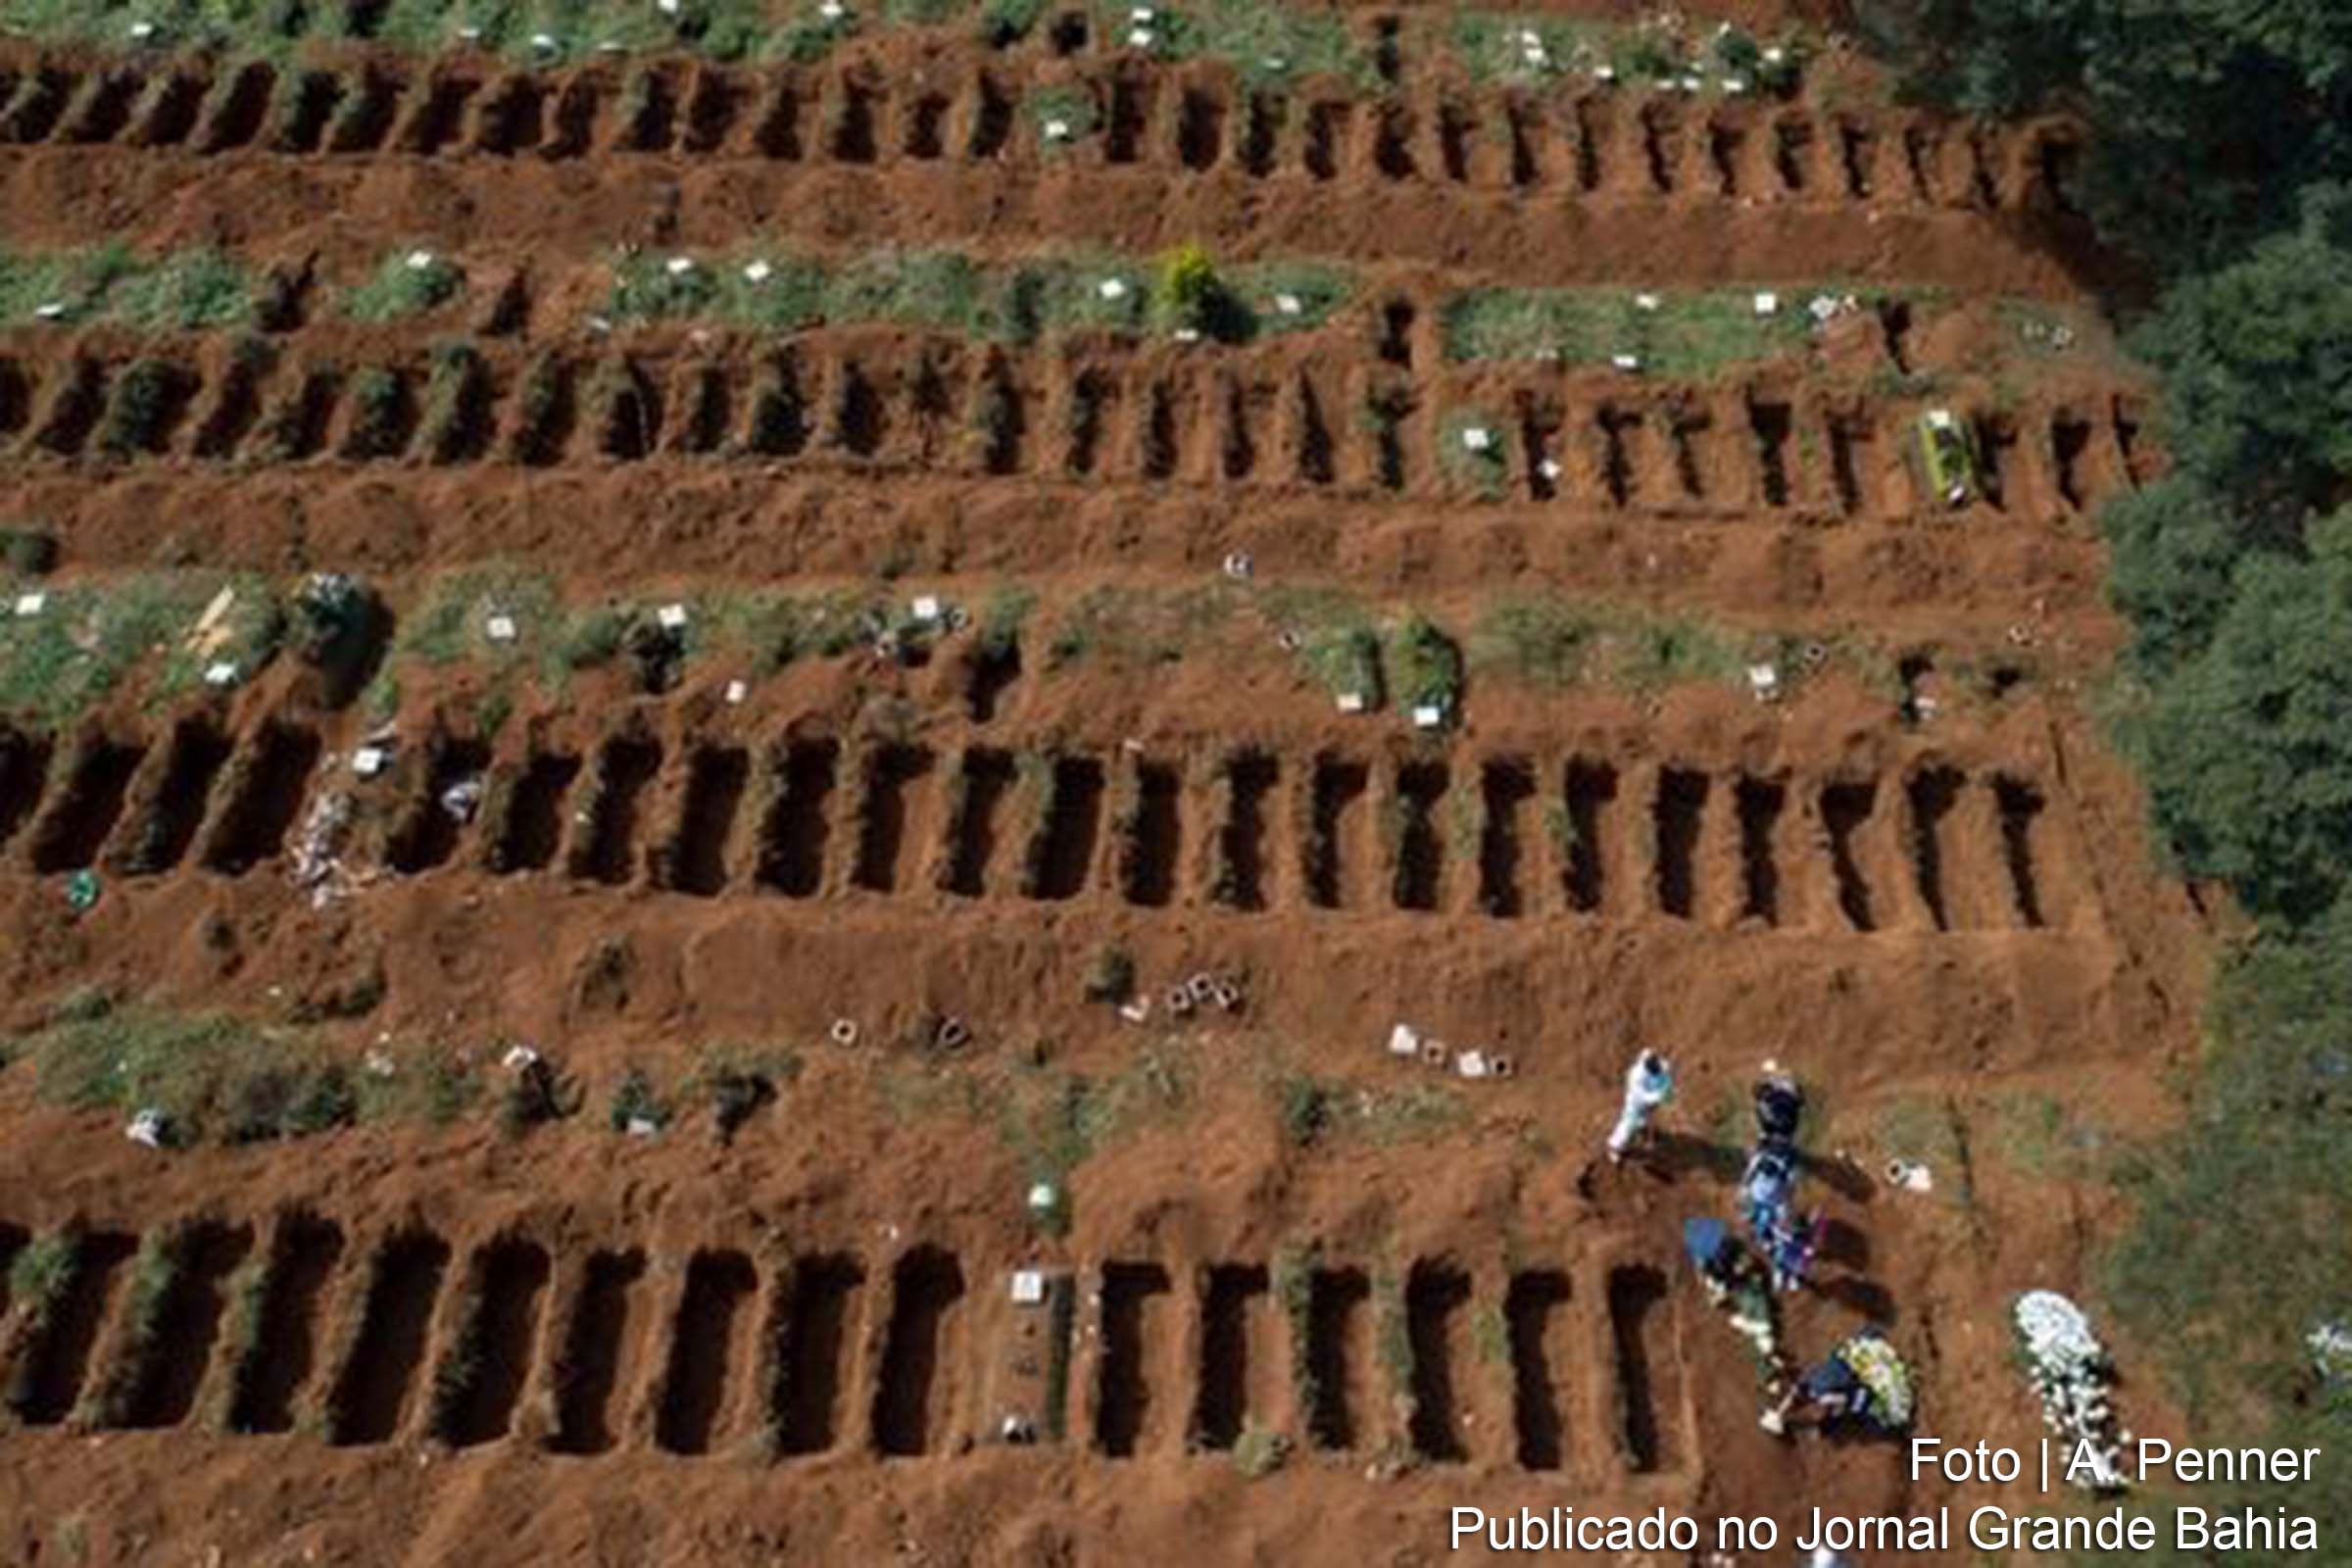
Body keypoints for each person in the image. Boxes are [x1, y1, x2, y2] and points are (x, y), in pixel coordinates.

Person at [1762, 1328, 1913, 1437]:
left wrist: (1832, 1419)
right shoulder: (1812, 1381)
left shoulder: (1821, 1391)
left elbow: (1843, 1401)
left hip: (1859, 1374)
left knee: (1863, 1413)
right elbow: (1796, 1393)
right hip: (1852, 1363)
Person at [1606, 1050, 1674, 1162]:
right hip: (1636, 1103)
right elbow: (1643, 1097)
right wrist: (1658, 1096)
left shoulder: (1658, 1065)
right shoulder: (1636, 1077)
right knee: (1629, 1124)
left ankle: (1643, 1129)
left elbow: (1666, 1077)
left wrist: (1666, 1092)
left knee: (1644, 1120)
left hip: (1652, 1098)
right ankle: (1614, 1147)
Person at [1754, 1059, 1805, 1143]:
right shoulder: (1790, 1081)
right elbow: (1801, 1101)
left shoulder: (1770, 1082)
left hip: (1779, 1122)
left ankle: (1766, 1134)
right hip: (1789, 1123)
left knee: (1760, 1105)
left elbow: (1758, 1094)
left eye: (1766, 1073)